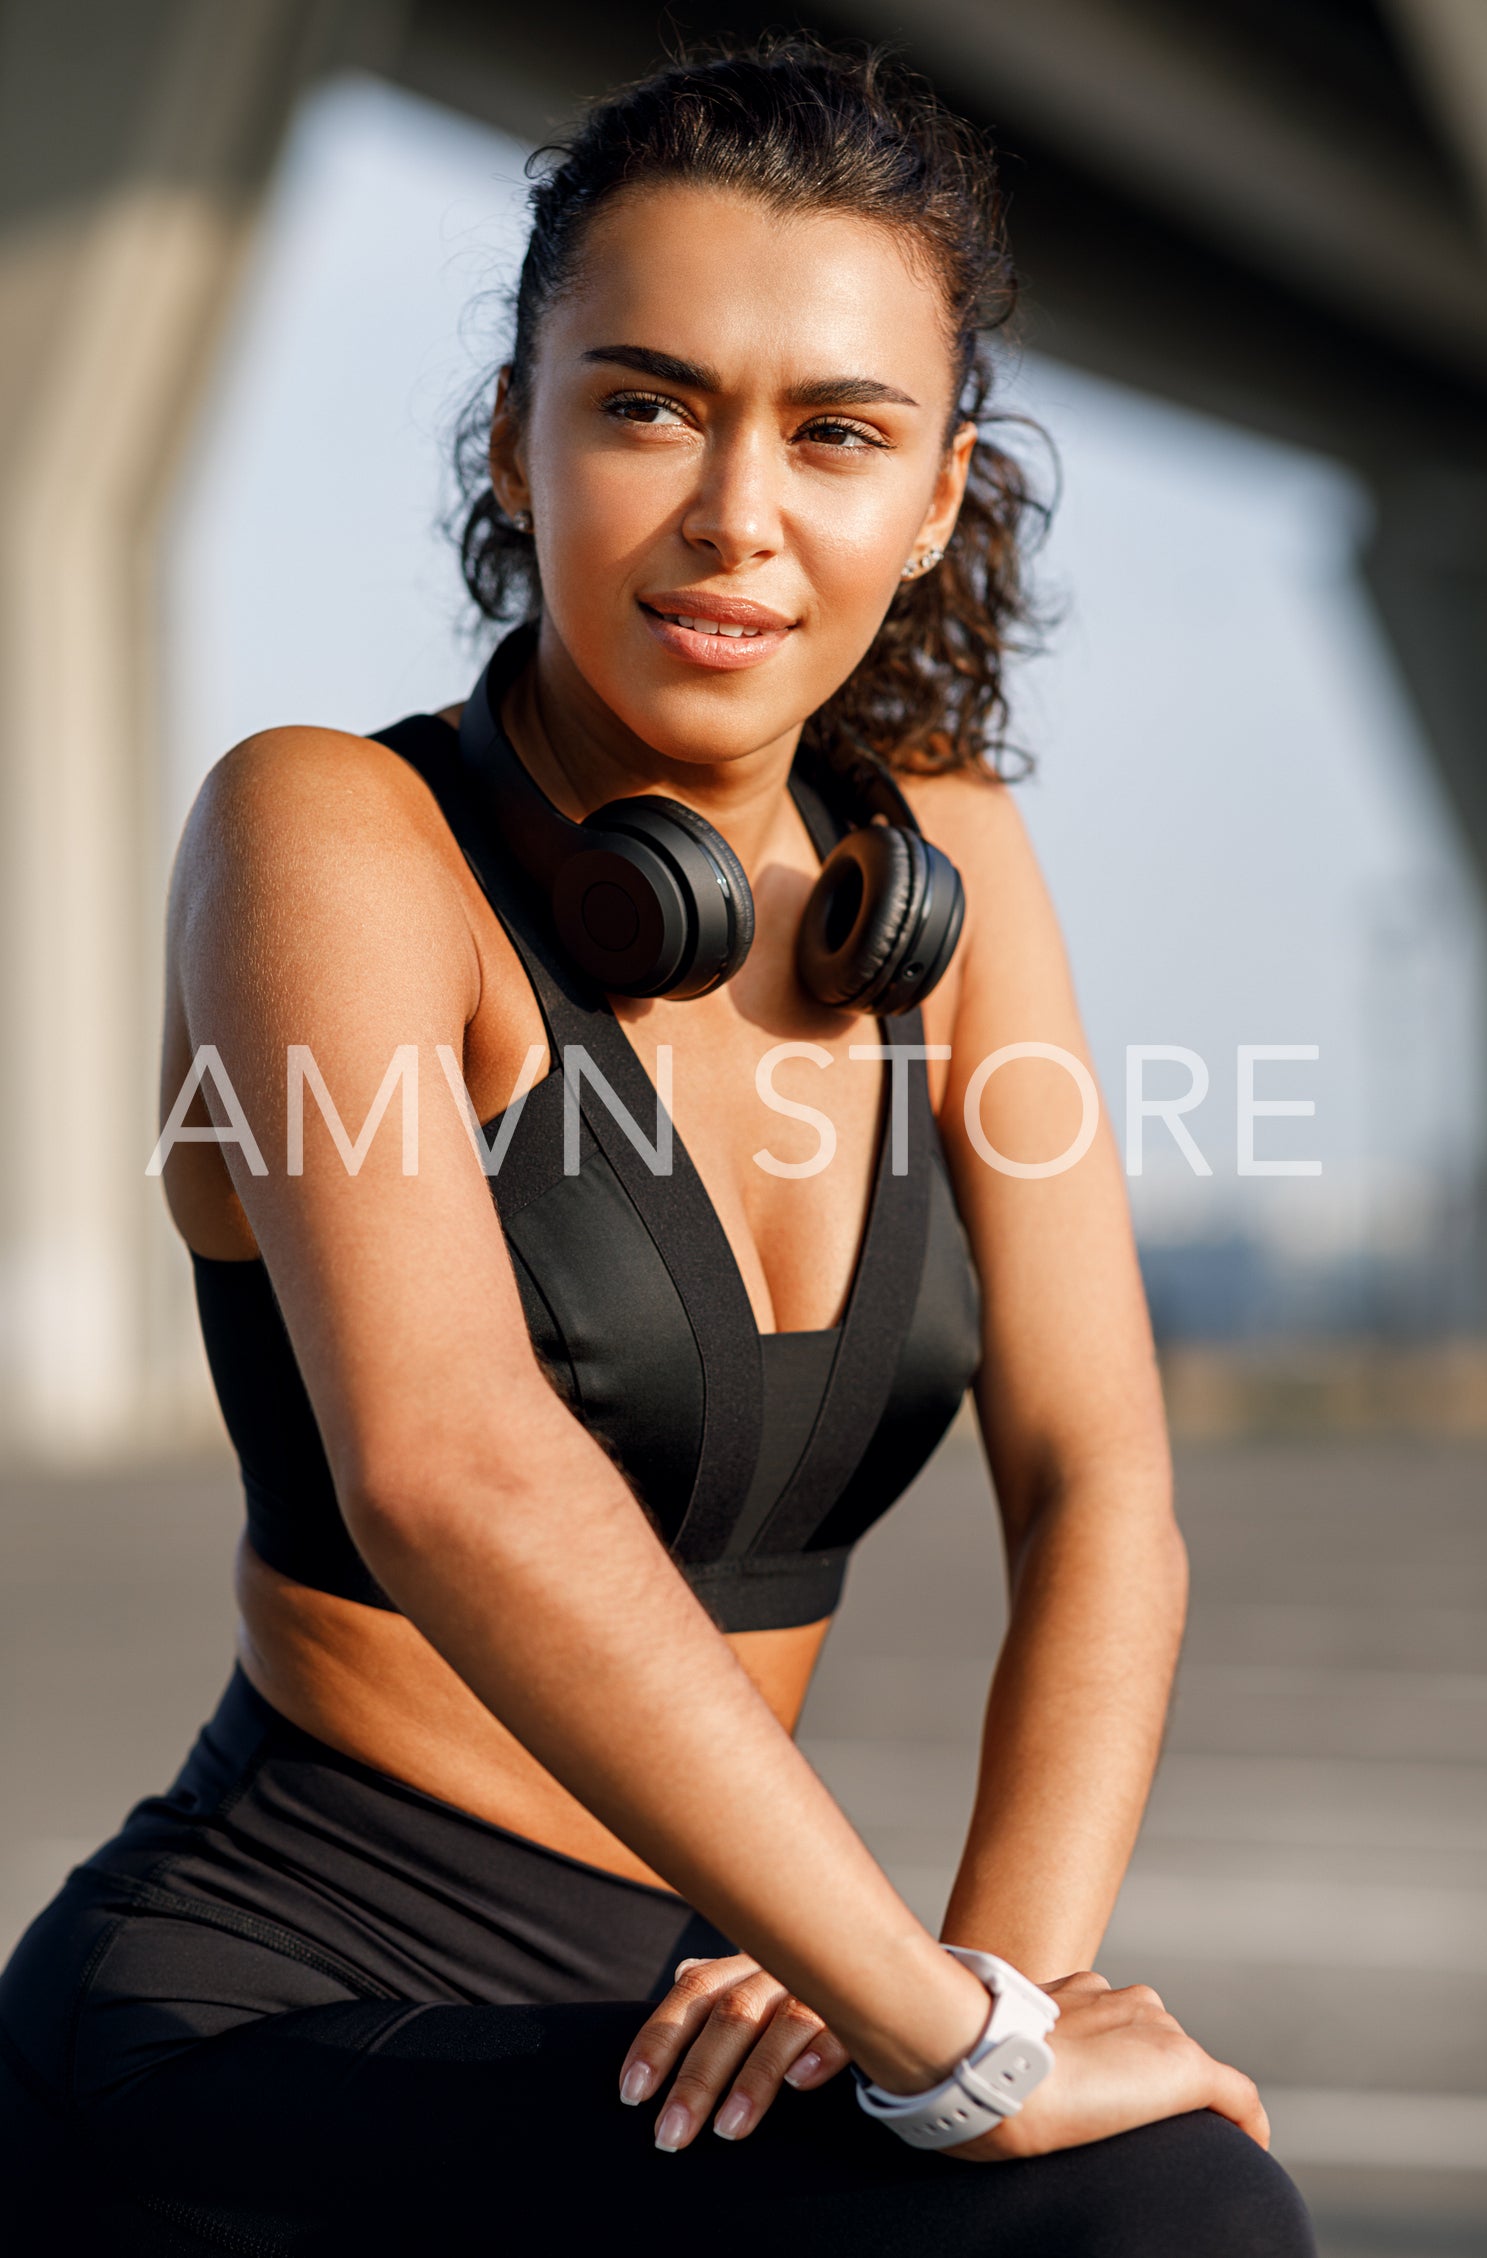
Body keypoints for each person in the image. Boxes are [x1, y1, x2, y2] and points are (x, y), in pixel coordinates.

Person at [0, 38, 1315, 2255]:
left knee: (1121, 2184)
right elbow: (450, 1468)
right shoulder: (336, 832)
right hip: (271, 2012)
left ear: (934, 494)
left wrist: (986, 2007)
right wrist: (935, 2038)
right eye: (645, 403)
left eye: (835, 433)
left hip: (695, 2010)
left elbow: (1102, 1488)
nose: (736, 514)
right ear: (514, 439)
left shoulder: (955, 869)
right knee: (1172, 2219)